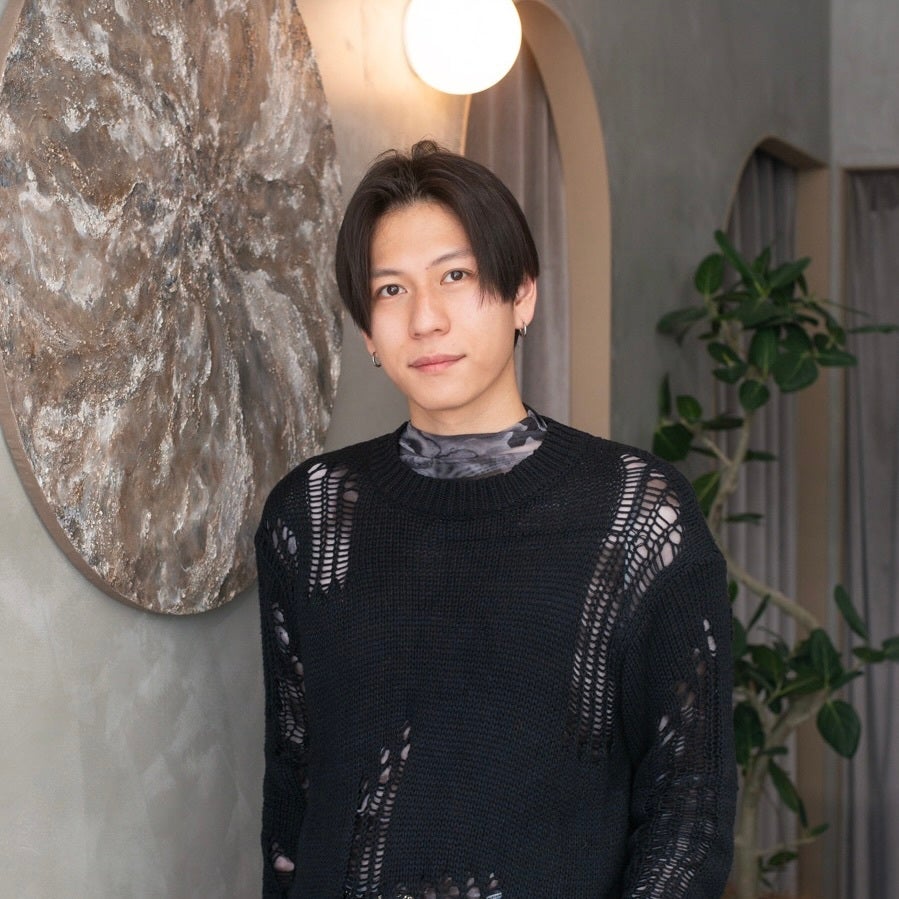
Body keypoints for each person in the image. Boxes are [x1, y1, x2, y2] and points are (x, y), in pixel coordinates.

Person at [255, 140, 736, 898]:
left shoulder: (637, 515)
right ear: (368, 332)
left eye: (456, 275)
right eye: (390, 289)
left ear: (522, 295)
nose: (425, 319)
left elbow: (689, 806)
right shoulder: (313, 514)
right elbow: (294, 781)